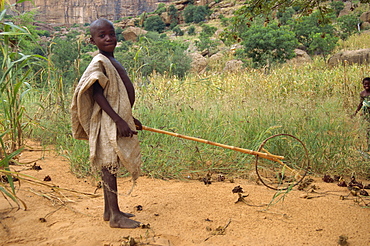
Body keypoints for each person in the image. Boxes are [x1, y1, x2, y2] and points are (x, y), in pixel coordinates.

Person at [70, 18, 142, 228]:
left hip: (116, 118)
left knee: (109, 165)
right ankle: (115, 217)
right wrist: (118, 120)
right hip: (107, 121)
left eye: (111, 34)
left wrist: (129, 118)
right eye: (102, 36)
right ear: (93, 41)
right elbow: (97, 94)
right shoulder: (99, 62)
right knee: (108, 165)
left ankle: (109, 210)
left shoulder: (110, 60)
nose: (108, 38)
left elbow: (118, 95)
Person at [353, 77, 370, 151]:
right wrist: (355, 112)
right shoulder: (362, 94)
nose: (367, 85)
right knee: (368, 130)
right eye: (365, 84)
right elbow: (361, 104)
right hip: (366, 114)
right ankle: (369, 147)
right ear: (362, 84)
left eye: (369, 84)